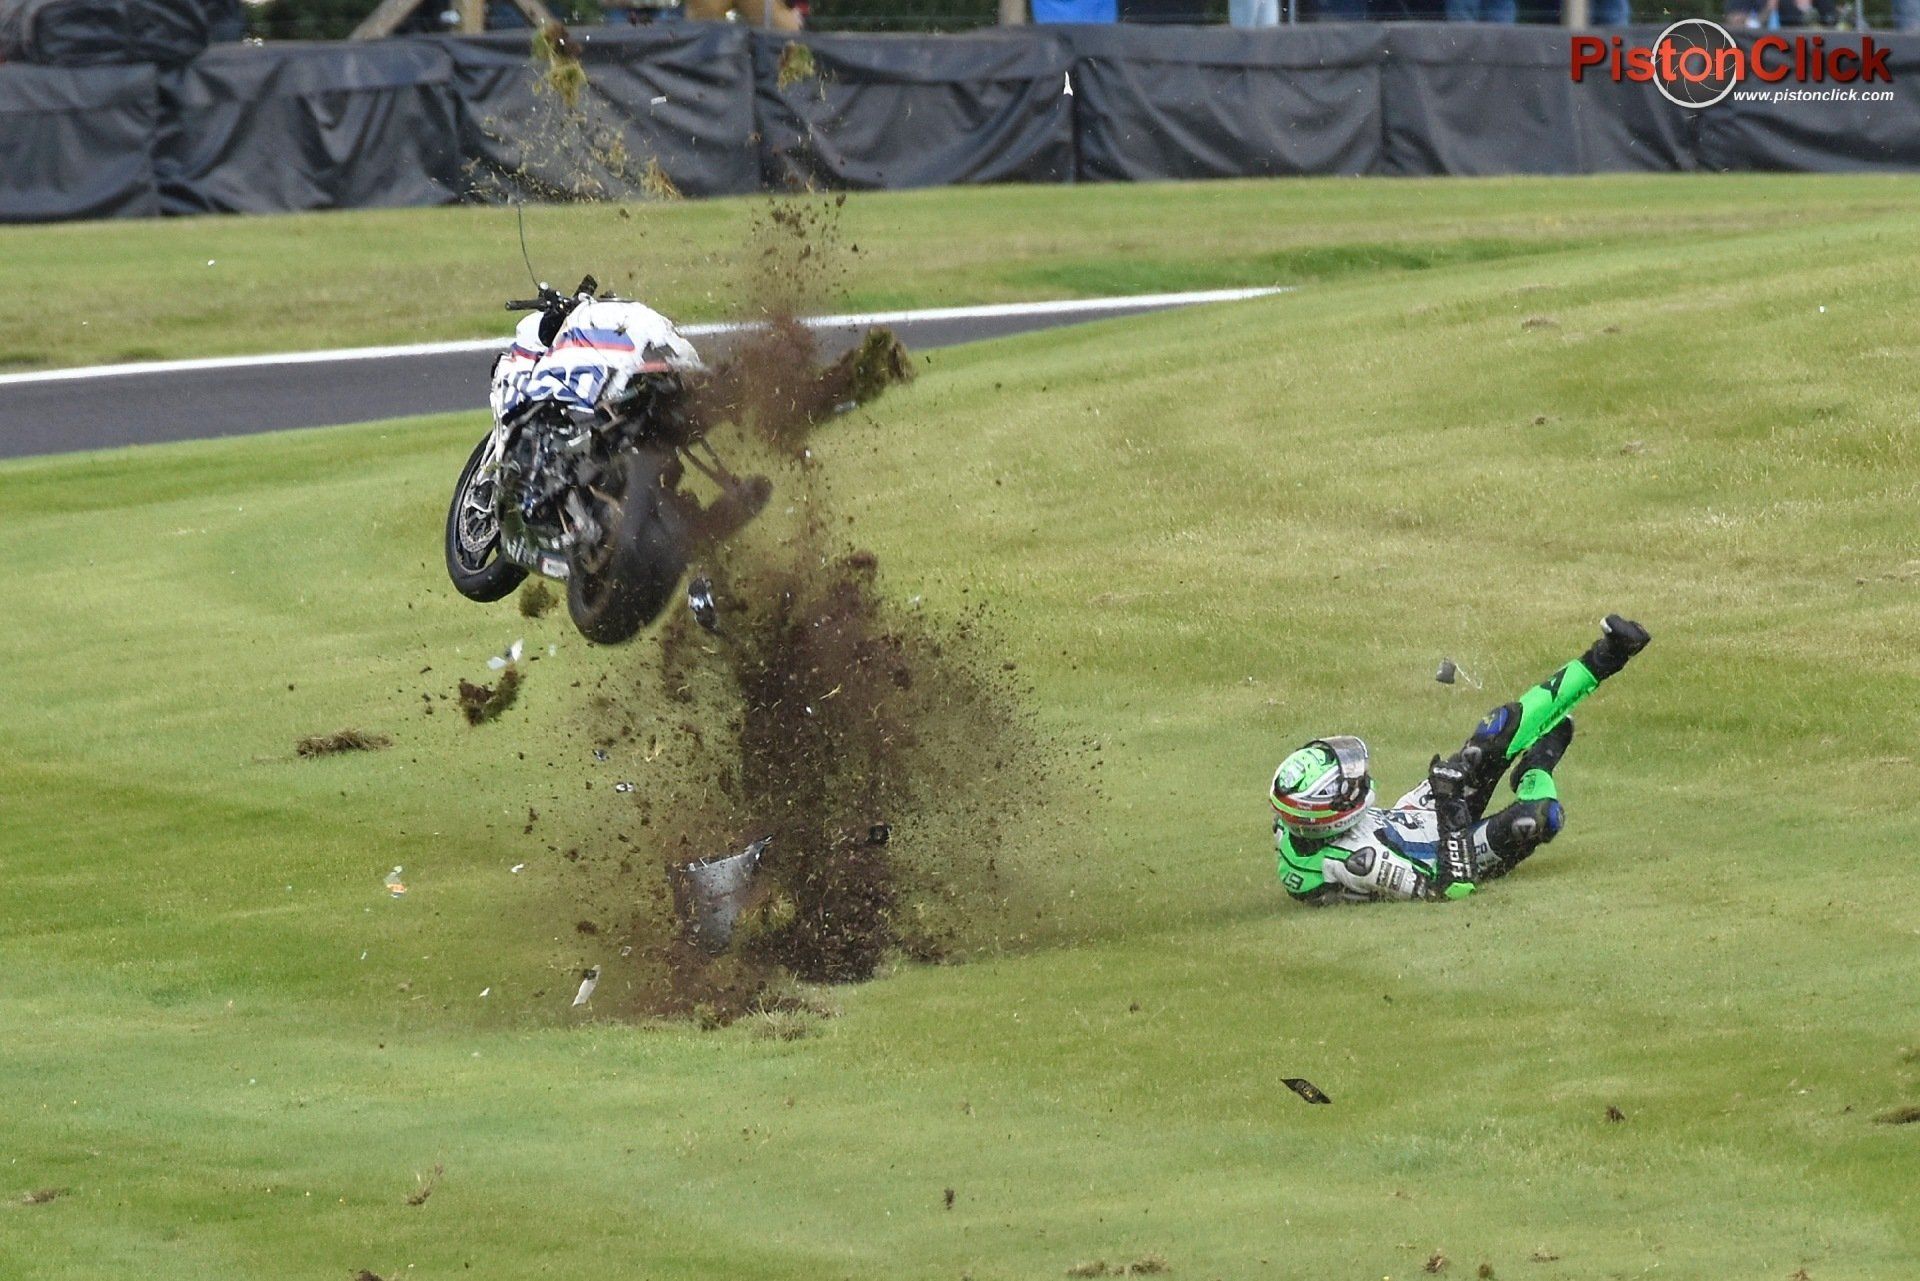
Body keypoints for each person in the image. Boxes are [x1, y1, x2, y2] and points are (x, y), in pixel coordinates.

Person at [1268, 615, 1650, 904]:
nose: (1359, 779)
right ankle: (1538, 767)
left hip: (1409, 820)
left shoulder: (1296, 823)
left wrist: (1445, 792)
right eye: (1348, 785)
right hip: (1445, 856)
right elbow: (1449, 888)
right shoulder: (1359, 863)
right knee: (1536, 818)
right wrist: (1451, 804)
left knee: (1493, 734)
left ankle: (1608, 654)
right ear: (1328, 817)